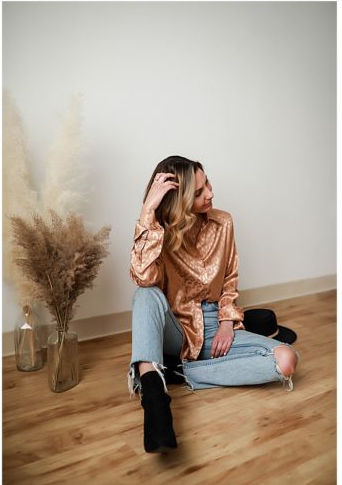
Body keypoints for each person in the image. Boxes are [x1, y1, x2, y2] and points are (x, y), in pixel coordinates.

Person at [128, 155, 299, 453]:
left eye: (207, 183)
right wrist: (147, 212)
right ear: (178, 201)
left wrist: (226, 324)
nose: (210, 193)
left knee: (286, 360)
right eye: (198, 192)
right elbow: (143, 277)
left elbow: (230, 279)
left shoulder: (223, 222)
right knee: (145, 294)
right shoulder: (159, 231)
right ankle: (154, 395)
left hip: (216, 324)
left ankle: (176, 373)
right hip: (177, 327)